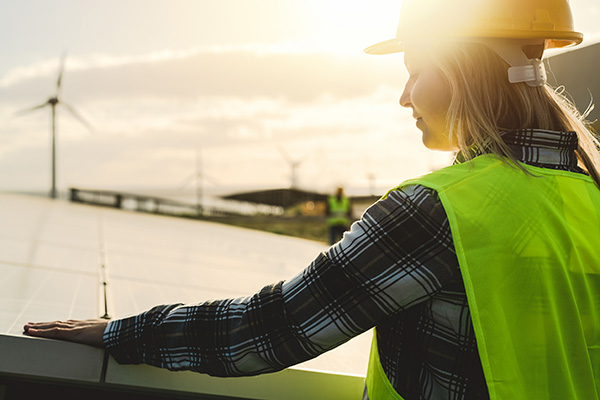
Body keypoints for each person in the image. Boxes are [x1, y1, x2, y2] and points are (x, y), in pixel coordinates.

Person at [24, 0, 600, 398]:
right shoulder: (588, 196)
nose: (404, 98)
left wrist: (124, 331)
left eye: (417, 71)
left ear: (464, 70)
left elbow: (267, 329)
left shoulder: (436, 212)